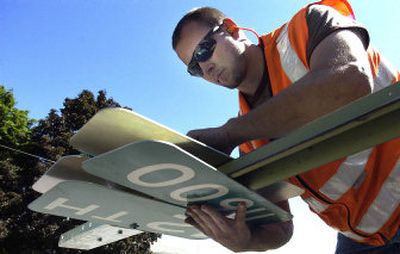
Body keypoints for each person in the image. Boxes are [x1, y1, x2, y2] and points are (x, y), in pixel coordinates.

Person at [172, 0, 400, 253]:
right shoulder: (248, 138)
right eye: (194, 67)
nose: (205, 67)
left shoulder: (307, 26)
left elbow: (349, 81)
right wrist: (247, 240)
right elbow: (279, 229)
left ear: (231, 29)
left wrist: (229, 133)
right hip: (363, 239)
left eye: (204, 50)